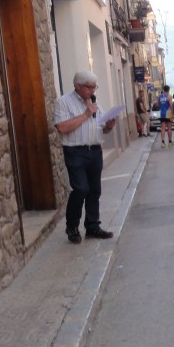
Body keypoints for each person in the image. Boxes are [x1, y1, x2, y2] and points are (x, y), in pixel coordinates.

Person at [53, 70, 116, 244]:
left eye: (95, 87)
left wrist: (109, 126)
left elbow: (101, 127)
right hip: (75, 151)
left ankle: (92, 226)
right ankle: (72, 227)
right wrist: (86, 114)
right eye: (89, 87)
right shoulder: (63, 102)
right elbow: (62, 128)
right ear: (77, 86)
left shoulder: (95, 102)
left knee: (94, 190)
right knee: (81, 189)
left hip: (94, 150)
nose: (93, 91)